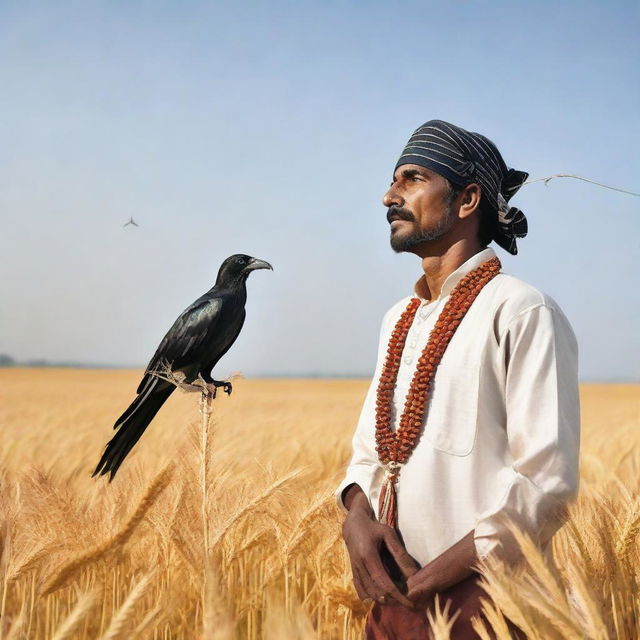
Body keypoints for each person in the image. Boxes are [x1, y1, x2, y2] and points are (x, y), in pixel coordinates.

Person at [336, 120, 580, 639]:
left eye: (412, 178)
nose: (388, 196)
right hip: (392, 606)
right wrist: (356, 516)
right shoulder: (397, 318)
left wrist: (436, 579)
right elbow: (369, 453)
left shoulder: (520, 310)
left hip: (486, 603)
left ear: (468, 199)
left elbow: (547, 485)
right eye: (393, 180)